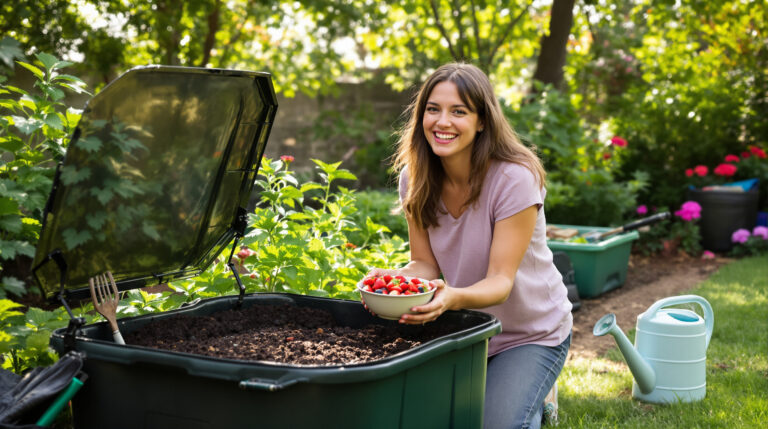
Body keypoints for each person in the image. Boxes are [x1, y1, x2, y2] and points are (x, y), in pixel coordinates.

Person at [367, 62, 572, 429]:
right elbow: (424, 264)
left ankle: (539, 396)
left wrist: (451, 298)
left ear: (482, 121)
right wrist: (393, 282)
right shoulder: (416, 176)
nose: (442, 122)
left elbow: (500, 281)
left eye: (458, 111)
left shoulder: (514, 178)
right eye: (433, 109)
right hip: (470, 329)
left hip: (530, 333)